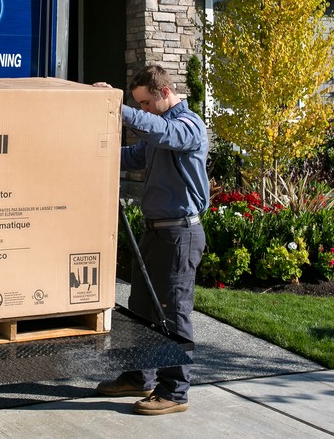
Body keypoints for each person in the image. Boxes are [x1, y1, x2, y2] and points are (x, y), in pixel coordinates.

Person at [93, 64, 208, 415]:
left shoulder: (188, 127)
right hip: (155, 231)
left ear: (164, 93)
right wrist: (95, 153)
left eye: (144, 103)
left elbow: (161, 131)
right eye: (137, 105)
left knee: (173, 313)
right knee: (141, 308)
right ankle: (139, 375)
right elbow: (135, 155)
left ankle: (174, 391)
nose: (143, 110)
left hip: (179, 234)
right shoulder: (161, 132)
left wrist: (115, 107)